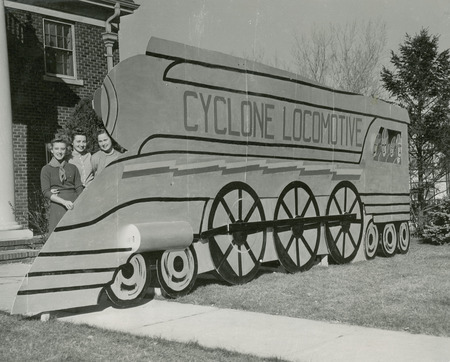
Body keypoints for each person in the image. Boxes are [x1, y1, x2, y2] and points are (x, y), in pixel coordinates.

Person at [41, 138, 83, 233]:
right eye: (56, 149)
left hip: (74, 205)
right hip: (58, 206)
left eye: (62, 149)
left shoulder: (73, 168)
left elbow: (79, 187)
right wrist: (64, 202)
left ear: (66, 150)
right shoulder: (46, 169)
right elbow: (45, 192)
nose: (59, 152)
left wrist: (80, 203)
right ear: (51, 150)